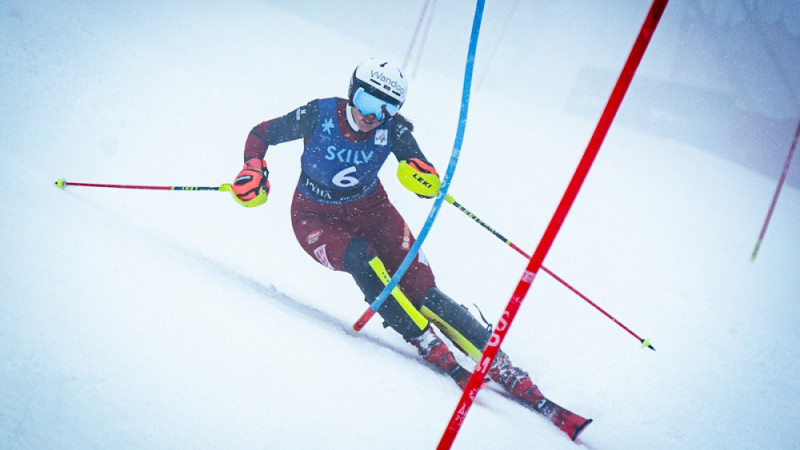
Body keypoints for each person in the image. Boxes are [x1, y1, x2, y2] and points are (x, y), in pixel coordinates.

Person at [230, 58, 590, 440]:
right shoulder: (320, 114)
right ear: (353, 91)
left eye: (386, 108)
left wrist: (424, 178)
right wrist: (254, 168)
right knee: (360, 256)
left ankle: (500, 364)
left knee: (423, 292)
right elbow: (261, 132)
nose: (374, 115)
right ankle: (424, 340)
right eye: (368, 102)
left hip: (373, 209)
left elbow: (422, 171)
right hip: (315, 217)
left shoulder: (393, 130)